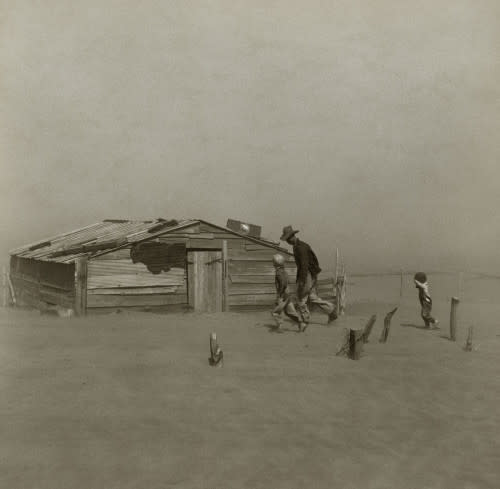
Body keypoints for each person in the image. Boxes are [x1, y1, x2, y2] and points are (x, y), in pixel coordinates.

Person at [280, 225, 337, 330]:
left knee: (300, 298)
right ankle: (331, 310)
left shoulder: (301, 248)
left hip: (307, 274)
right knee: (312, 297)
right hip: (309, 274)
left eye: (288, 239)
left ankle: (304, 321)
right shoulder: (297, 246)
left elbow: (304, 266)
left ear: (292, 236)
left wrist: (301, 282)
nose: (287, 241)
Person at [271, 253, 303, 331]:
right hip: (288, 294)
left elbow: (283, 283)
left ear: (275, 263)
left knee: (275, 312)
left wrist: (279, 294)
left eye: (273, 261)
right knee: (290, 312)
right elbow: (287, 281)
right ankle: (301, 323)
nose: (272, 263)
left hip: (283, 295)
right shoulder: (284, 271)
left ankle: (280, 326)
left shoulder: (278, 272)